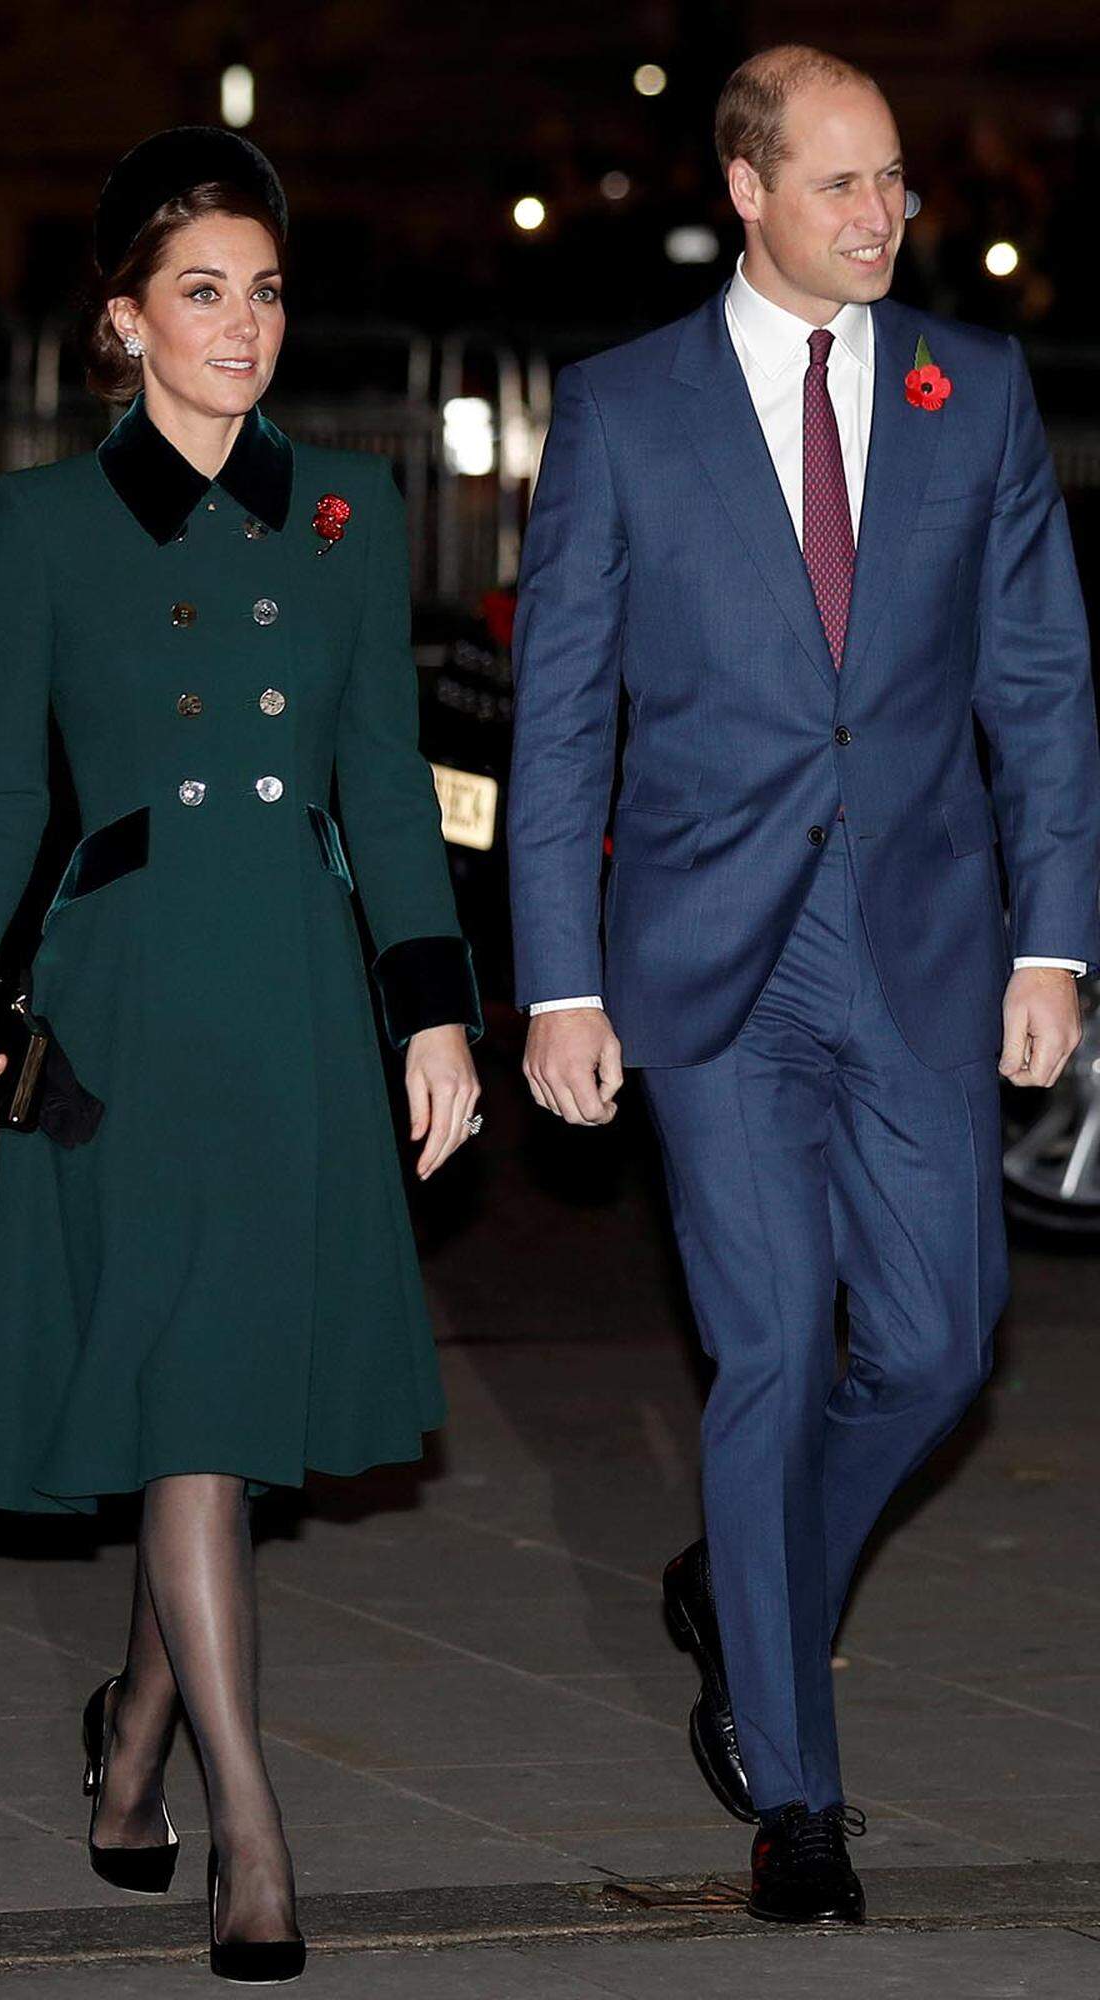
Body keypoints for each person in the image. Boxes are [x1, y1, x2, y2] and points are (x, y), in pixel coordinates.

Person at [507, 47, 1100, 1926]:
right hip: (707, 971)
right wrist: (557, 982)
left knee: (938, 1341)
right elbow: (559, 721)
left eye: (899, 181)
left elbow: (1041, 688)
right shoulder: (620, 413)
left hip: (925, 951)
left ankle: (736, 1575)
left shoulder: (972, 388)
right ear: (748, 188)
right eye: (843, 184)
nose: (884, 216)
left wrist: (1054, 943)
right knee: (770, 1351)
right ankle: (800, 1796)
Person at [0, 125, 483, 1983]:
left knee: (207, 1412)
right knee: (194, 1405)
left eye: (269, 290)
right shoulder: (48, 527)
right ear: (127, 322)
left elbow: (387, 788)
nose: (247, 326)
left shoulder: (347, 510)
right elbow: (5, 787)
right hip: (133, 997)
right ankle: (254, 1827)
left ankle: (137, 1739)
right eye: (207, 294)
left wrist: (435, 1003)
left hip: (299, 993)